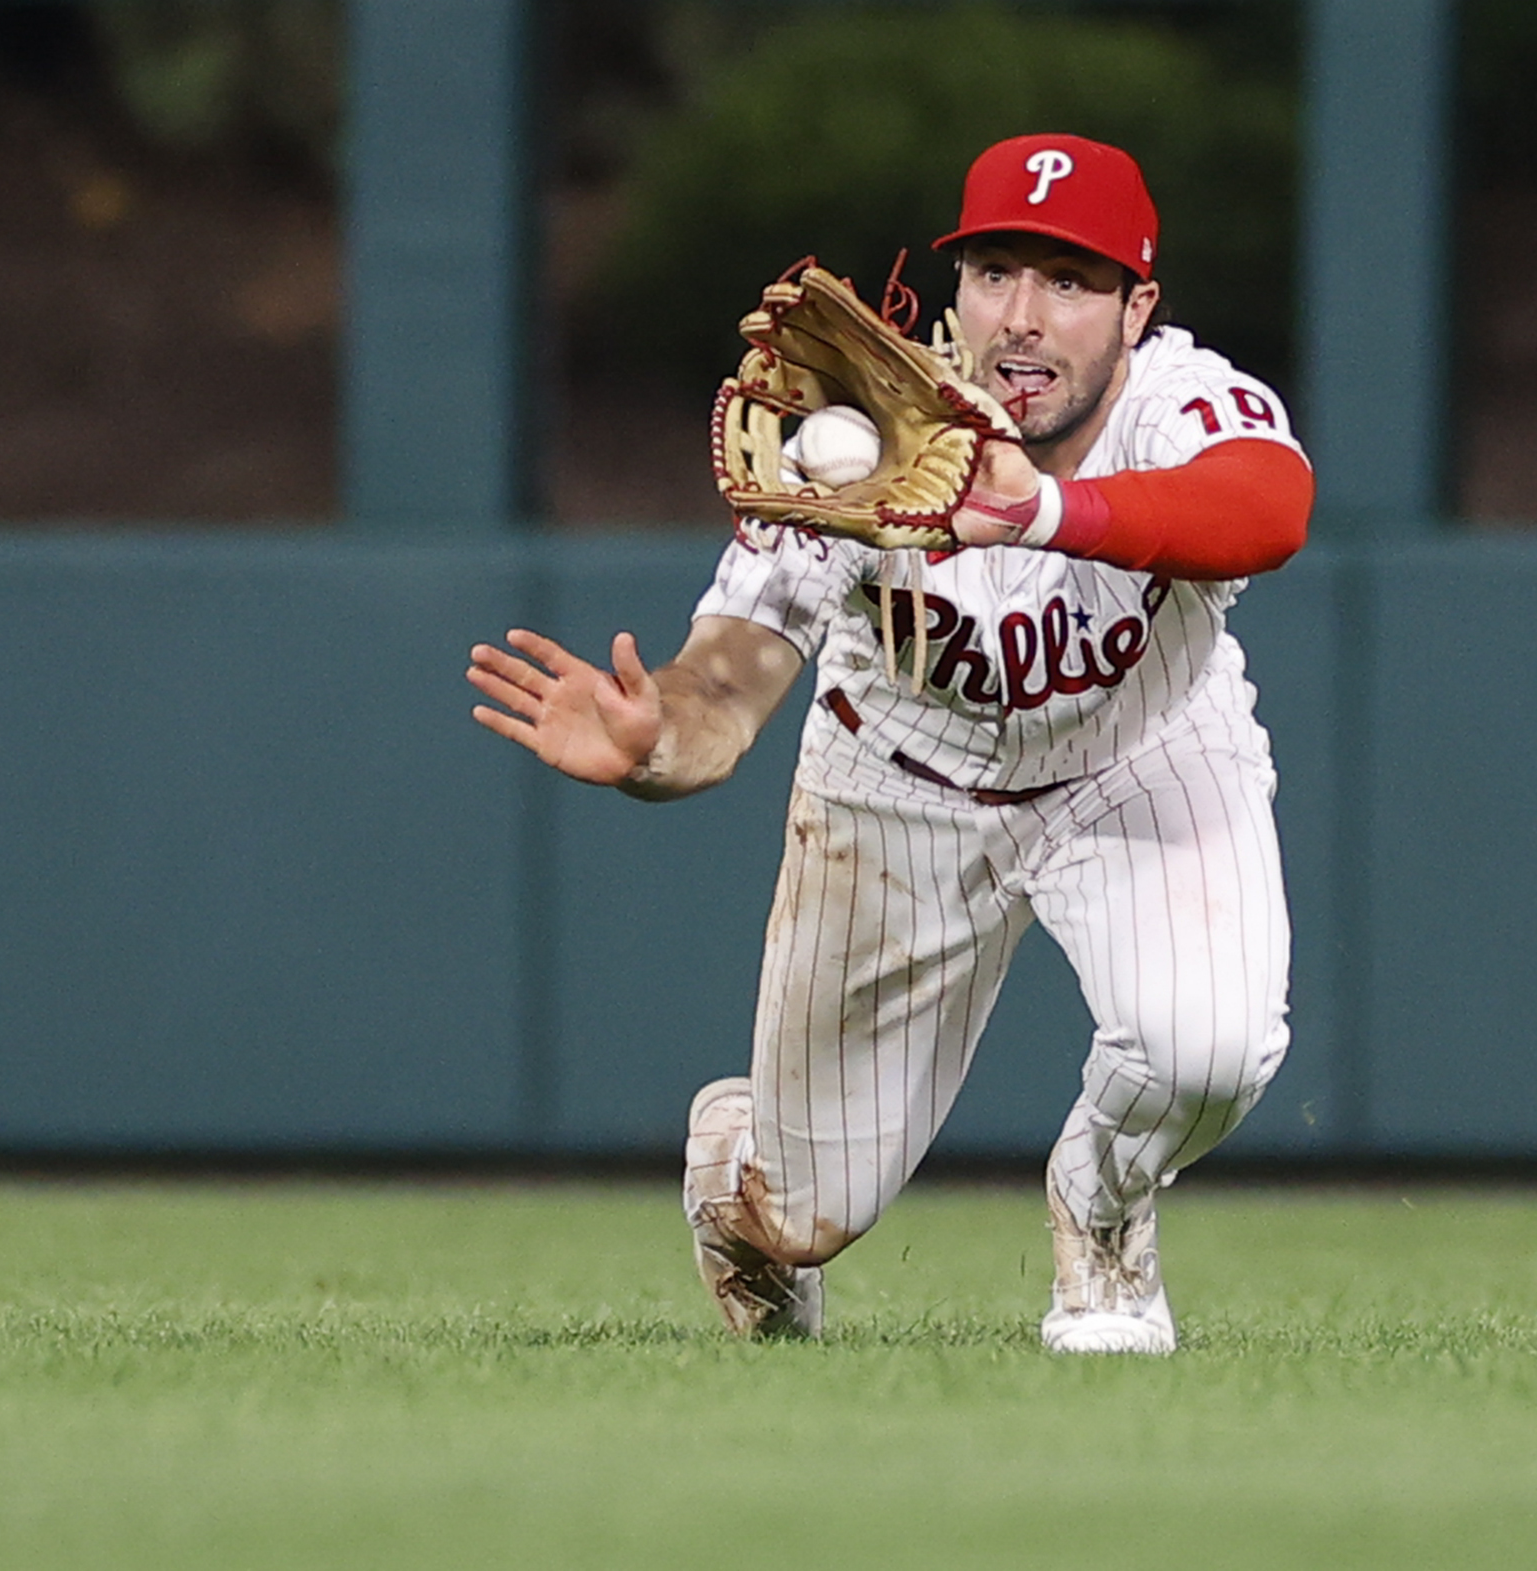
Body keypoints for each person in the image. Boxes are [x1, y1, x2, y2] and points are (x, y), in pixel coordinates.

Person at [467, 133, 1313, 1353]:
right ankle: (741, 1164)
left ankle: (1105, 1215)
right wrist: (659, 741)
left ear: (1139, 309)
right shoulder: (858, 440)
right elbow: (729, 679)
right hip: (901, 782)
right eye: (995, 274)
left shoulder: (1182, 401)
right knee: (804, 1215)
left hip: (1144, 758)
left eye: (1068, 283)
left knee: (1211, 1045)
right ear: (956, 288)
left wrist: (1047, 508)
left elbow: (1268, 507)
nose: (1022, 318)